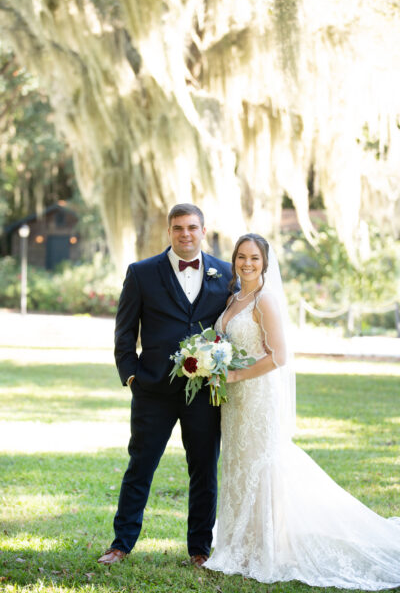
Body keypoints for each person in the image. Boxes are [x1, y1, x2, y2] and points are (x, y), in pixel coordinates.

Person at [204, 233, 400, 589]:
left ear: (265, 263)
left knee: (261, 464)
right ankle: (239, 544)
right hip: (234, 400)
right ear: (234, 260)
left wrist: (235, 374)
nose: (247, 264)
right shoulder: (234, 297)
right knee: (237, 463)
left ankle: (267, 547)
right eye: (241, 257)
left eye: (254, 259)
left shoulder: (265, 301)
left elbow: (278, 356)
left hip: (257, 393)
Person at [98, 203, 232, 567]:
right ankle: (121, 544)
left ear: (203, 230)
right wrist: (131, 376)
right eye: (177, 228)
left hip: (205, 392)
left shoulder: (226, 273)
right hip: (152, 390)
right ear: (169, 232)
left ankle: (199, 550)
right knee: (140, 466)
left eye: (191, 227)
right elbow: (124, 332)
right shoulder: (142, 273)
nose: (185, 234)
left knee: (204, 469)